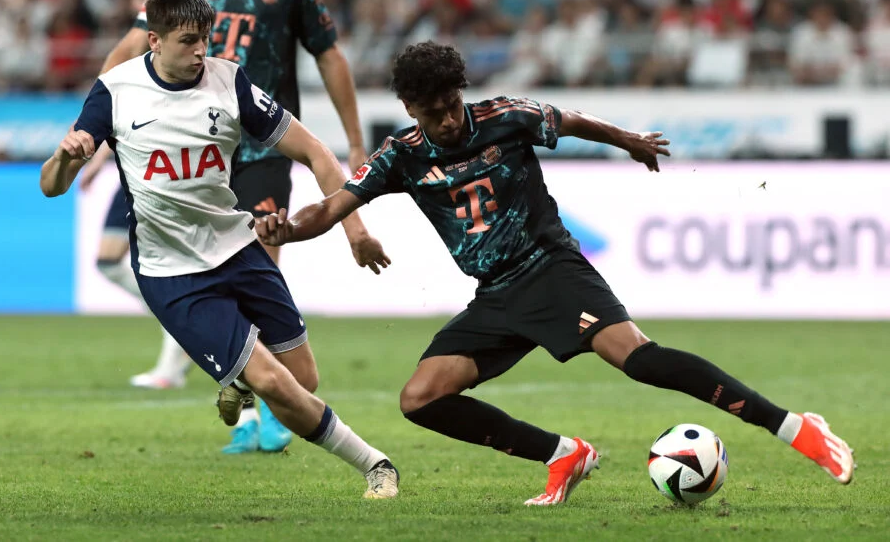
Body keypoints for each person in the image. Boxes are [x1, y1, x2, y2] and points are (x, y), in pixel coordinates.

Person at [254, 41, 856, 505]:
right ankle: (564, 455)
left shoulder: (503, 116)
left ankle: (796, 428)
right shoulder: (402, 154)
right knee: (421, 398)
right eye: (431, 112)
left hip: (551, 270)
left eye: (451, 105)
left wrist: (629, 141)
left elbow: (570, 120)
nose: (445, 120)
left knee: (640, 360)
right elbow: (331, 207)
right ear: (410, 109)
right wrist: (289, 228)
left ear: (461, 92)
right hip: (495, 296)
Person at [40, 0, 399, 499]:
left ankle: (235, 380)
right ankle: (376, 465)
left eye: (205, 40)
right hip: (172, 272)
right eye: (187, 42)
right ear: (153, 41)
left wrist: (355, 229)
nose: (199, 52)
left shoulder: (229, 81)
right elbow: (51, 187)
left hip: (237, 247)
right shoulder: (115, 90)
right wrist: (65, 158)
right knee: (275, 385)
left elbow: (317, 153)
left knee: (302, 381)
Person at [92, 0, 370, 454]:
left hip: (264, 145)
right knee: (195, 265)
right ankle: (252, 398)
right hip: (192, 150)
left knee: (261, 255)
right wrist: (93, 119)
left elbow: (328, 53)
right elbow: (134, 43)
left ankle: (260, 396)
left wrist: (352, 138)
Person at [79, 0, 195, 390]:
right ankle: (184, 321)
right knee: (109, 261)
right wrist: (95, 160)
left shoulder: (175, 64)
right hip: (131, 173)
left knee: (167, 268)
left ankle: (172, 362)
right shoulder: (129, 63)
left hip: (166, 175)